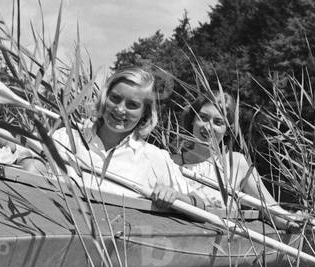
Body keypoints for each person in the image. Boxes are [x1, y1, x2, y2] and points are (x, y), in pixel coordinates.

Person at [48, 66, 219, 210]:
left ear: (144, 112)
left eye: (132, 105)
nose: (120, 109)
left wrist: (175, 196)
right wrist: (31, 160)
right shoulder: (64, 139)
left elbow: (199, 204)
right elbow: (27, 157)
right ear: (104, 97)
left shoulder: (153, 158)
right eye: (115, 99)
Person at [175, 93, 280, 211]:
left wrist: (293, 220)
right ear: (192, 120)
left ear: (227, 130)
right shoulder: (170, 162)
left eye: (218, 122)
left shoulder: (236, 164)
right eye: (203, 118)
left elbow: (272, 210)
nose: (208, 127)